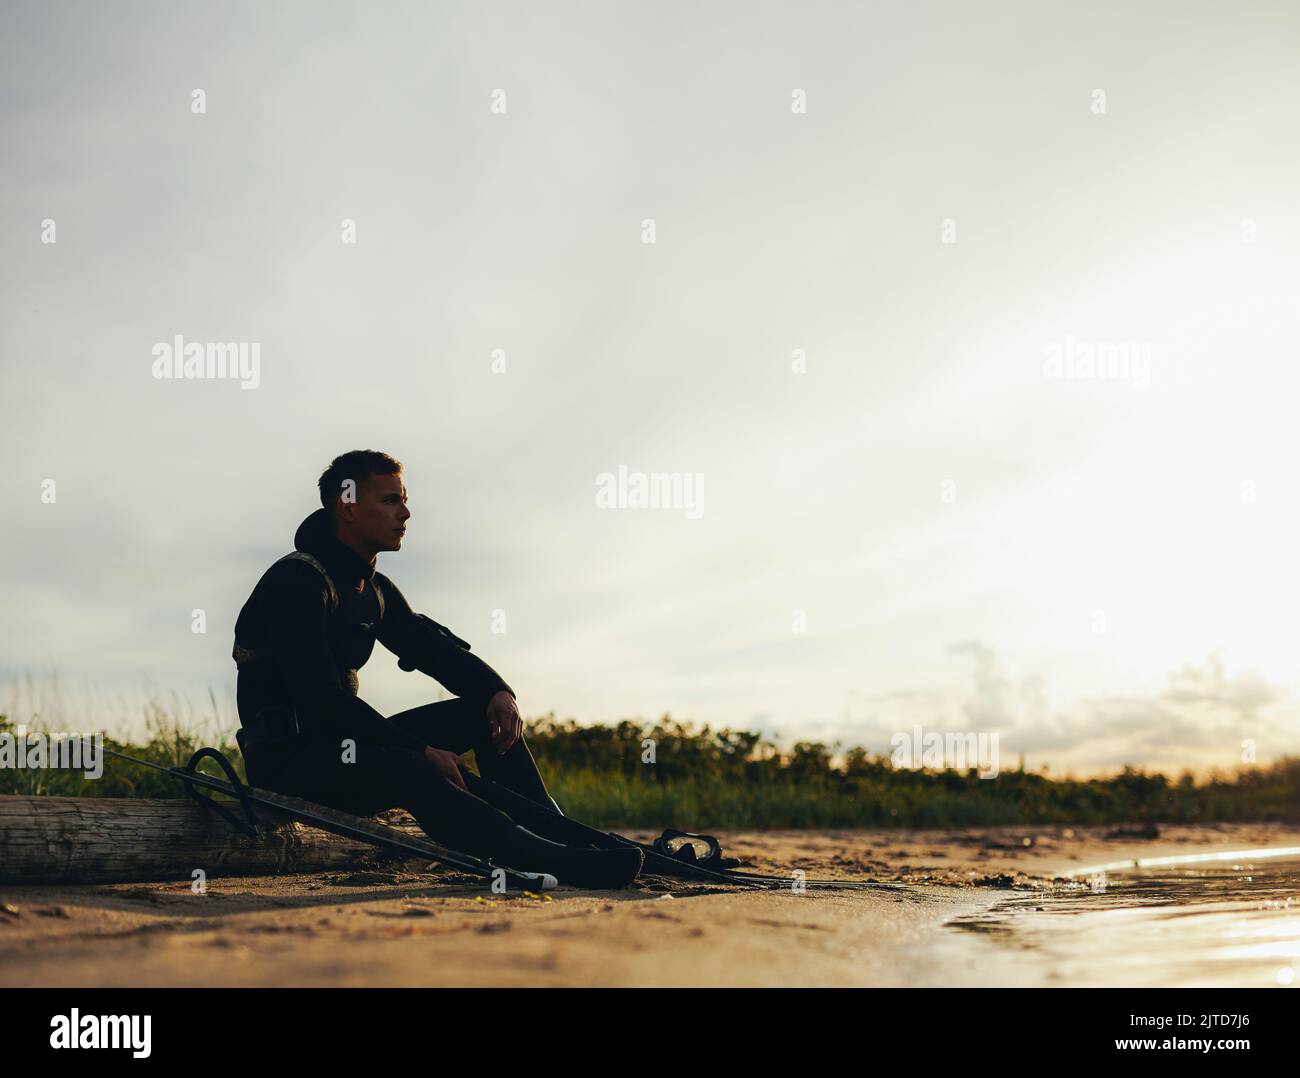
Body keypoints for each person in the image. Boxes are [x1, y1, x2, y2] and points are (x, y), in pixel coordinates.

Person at [231, 449, 640, 888]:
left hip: (343, 749)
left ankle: (556, 833)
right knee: (411, 767)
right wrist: (421, 751)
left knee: (478, 713)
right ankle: (530, 854)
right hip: (290, 765)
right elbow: (323, 701)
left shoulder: (373, 589)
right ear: (346, 505)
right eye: (390, 501)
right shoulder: (297, 583)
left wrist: (497, 691)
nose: (405, 513)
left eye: (403, 500)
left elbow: (433, 651)